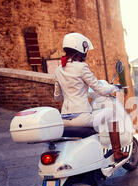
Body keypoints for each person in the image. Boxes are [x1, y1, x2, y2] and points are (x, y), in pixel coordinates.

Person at [54, 32, 128, 162]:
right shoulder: (82, 67)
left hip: (64, 119)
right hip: (82, 118)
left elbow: (57, 97)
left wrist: (75, 93)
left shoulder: (59, 69)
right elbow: (100, 89)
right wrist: (115, 87)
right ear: (80, 49)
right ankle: (117, 152)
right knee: (112, 114)